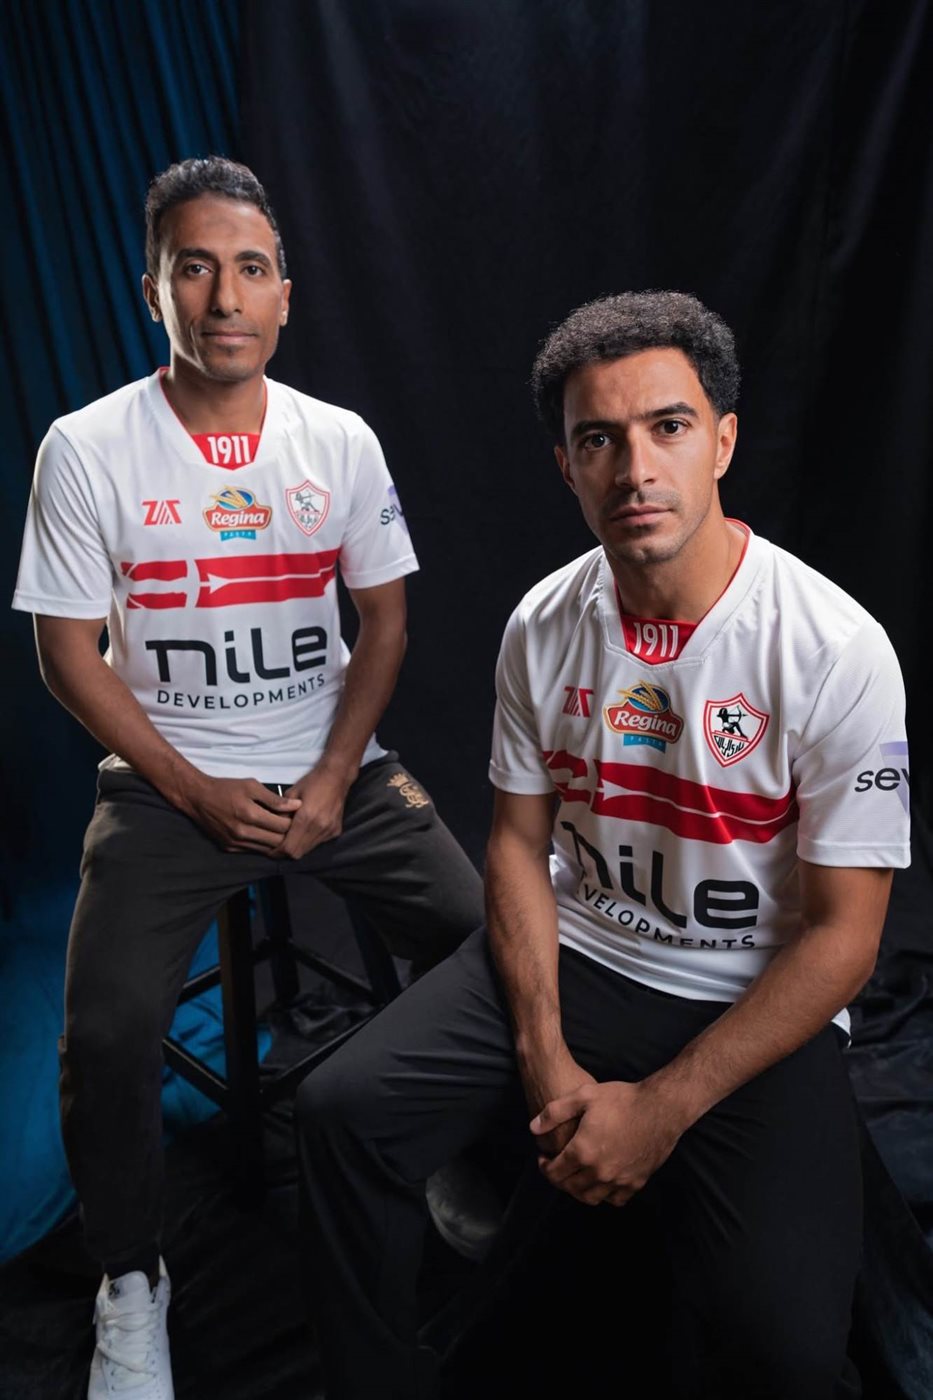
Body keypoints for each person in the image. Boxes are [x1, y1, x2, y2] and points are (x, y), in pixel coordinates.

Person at [297, 290, 911, 1398]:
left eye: (667, 426)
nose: (634, 468)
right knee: (341, 1112)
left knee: (786, 1350)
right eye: (598, 439)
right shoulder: (543, 623)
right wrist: (543, 1052)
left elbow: (845, 942)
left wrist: (659, 1109)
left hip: (744, 992)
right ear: (566, 467)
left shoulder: (834, 646)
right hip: (585, 953)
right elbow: (514, 844)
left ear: (722, 440)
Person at [11, 156, 484, 1400]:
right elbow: (67, 652)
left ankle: (441, 1147)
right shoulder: (87, 447)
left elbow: (383, 620)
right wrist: (189, 789)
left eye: (251, 268)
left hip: (338, 768)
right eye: (195, 268)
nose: (224, 296)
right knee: (107, 1027)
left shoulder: (339, 438)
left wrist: (332, 777)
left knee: (487, 936)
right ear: (152, 290)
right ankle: (131, 1281)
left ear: (285, 294)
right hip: (166, 782)